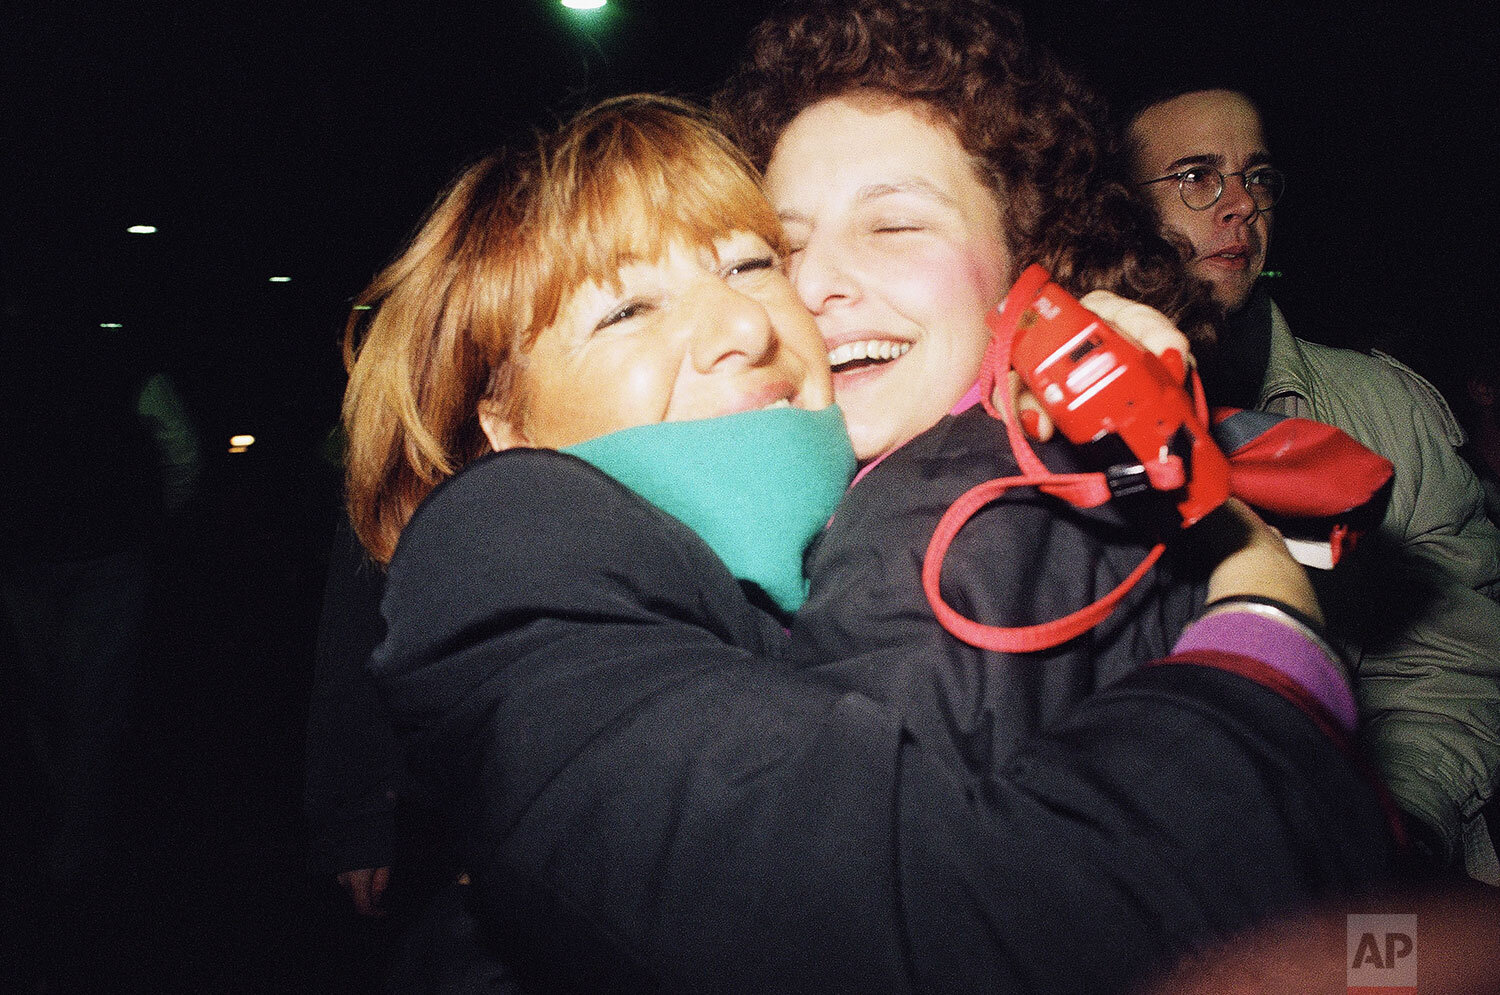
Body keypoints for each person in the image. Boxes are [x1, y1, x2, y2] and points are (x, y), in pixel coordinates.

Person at [349, 92, 1395, 993]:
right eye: (626, 308)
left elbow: (1368, 937)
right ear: (503, 422)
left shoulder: (891, 519)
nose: (747, 325)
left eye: (753, 262)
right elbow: (982, 936)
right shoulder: (503, 567)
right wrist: (1264, 620)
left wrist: (1120, 418)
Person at [714, 0, 1229, 785]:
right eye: (783, 248)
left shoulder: (943, 529)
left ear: (1030, 265)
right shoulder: (1057, 477)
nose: (813, 283)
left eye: (894, 226)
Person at [1125, 86, 1500, 881]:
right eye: (1197, 176)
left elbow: (1452, 658)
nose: (1239, 205)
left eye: (1257, 177)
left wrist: (1395, 826)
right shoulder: (1053, 424)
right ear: (1121, 208)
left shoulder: (1385, 408)